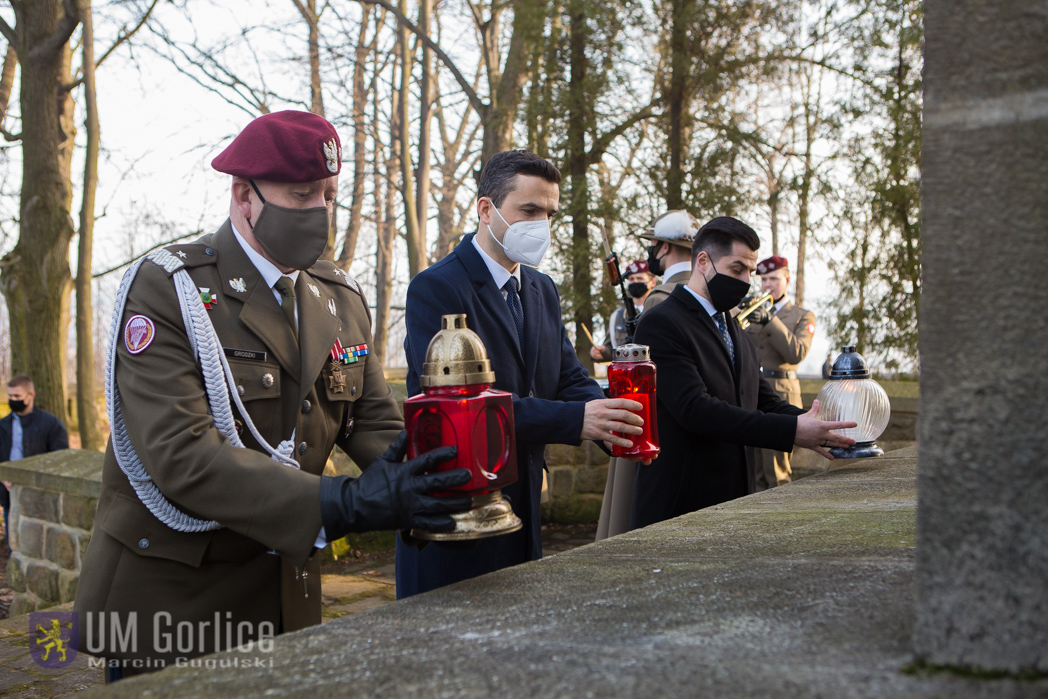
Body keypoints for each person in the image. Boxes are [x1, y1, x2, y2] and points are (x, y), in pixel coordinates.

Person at [75, 111, 470, 678]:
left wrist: (434, 479)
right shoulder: (171, 289)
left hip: (287, 593)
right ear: (244, 196)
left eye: (330, 195)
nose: (320, 211)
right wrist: (344, 503)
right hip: (177, 600)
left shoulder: (338, 296)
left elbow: (373, 423)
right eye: (302, 193)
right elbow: (182, 455)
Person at [398, 149, 645, 598]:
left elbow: (567, 374)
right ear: (486, 210)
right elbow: (461, 409)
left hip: (525, 505)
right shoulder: (436, 288)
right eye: (528, 211)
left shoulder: (540, 288)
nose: (541, 225)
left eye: (549, 213)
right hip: (457, 512)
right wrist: (576, 421)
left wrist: (610, 417)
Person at [629, 216, 856, 530]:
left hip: (733, 500)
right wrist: (791, 431)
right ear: (704, 262)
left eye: (750, 271)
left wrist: (816, 425)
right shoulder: (661, 322)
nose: (746, 280)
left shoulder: (731, 325)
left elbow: (760, 397)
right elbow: (696, 410)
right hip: (681, 505)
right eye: (737, 269)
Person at [743, 255, 816, 490]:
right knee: (752, 469)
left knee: (776, 469)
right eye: (764, 280)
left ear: (787, 279)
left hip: (782, 392)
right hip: (753, 391)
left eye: (773, 279)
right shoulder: (753, 311)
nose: (767, 285)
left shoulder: (802, 316)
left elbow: (797, 352)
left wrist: (770, 321)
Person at [0, 376, 69, 552]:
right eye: (10, 396)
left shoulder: (51, 424)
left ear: (31, 395)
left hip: (41, 495)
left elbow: (60, 458)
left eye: (17, 396)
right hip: (9, 494)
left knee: (42, 545)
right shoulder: (3, 425)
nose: (13, 400)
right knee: (14, 545)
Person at [589, 260, 656, 363]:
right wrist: (601, 352)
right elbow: (612, 348)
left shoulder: (658, 309)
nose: (635, 282)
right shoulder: (618, 315)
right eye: (631, 279)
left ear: (653, 282)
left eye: (640, 278)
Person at [639, 210, 697, 311]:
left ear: (665, 247)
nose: (650, 251)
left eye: (653, 245)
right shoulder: (713, 295)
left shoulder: (658, 300)